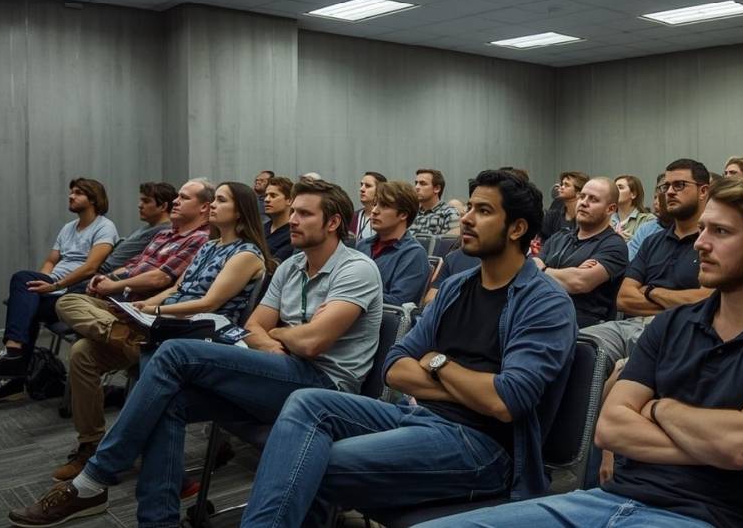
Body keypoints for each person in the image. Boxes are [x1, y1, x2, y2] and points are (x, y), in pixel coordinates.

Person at [421, 176, 743, 528]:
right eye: (704, 228)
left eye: (721, 233)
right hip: (604, 502)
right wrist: (714, 439)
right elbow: (611, 430)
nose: (700, 244)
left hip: (707, 516)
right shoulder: (671, 324)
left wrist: (655, 408)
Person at [7, 178, 384, 528]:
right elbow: (253, 327)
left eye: (305, 214)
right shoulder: (291, 266)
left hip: (324, 387)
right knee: (171, 400)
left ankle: (95, 477)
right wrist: (279, 339)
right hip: (280, 372)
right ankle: (157, 521)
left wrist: (281, 334)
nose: (292, 220)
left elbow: (314, 344)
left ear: (334, 222)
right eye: (295, 211)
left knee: (172, 353)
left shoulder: (356, 269)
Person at [234, 170, 577, 528]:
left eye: (484, 211)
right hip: (417, 417)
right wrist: (469, 388)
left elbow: (505, 402)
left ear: (517, 229)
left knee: (310, 461)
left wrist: (437, 362)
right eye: (470, 206)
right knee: (307, 402)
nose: (466, 218)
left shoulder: (545, 302)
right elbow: (395, 367)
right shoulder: (456, 287)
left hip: (483, 448)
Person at [50, 182, 273, 481]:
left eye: (221, 200)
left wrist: (153, 311)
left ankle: (103, 455)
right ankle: (90, 442)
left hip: (193, 332)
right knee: (77, 333)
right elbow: (177, 289)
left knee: (84, 346)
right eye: (214, 199)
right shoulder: (209, 245)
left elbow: (208, 302)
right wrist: (142, 306)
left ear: (240, 211)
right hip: (161, 322)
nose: (214, 206)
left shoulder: (246, 254)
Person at [0, 178, 119, 400]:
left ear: (94, 198)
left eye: (78, 193)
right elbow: (51, 261)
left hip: (72, 292)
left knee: (21, 283)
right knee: (26, 297)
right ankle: (14, 367)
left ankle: (13, 361)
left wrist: (54, 285)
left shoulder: (105, 227)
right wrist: (44, 282)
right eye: (71, 192)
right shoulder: (68, 228)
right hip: (53, 287)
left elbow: (91, 268)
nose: (71, 196)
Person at [583, 159, 711, 367]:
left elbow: (706, 300)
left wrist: (650, 291)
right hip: (631, 325)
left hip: (687, 328)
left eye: (679, 185)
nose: (669, 192)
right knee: (577, 343)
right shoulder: (653, 241)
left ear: (703, 191)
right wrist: (679, 302)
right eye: (665, 186)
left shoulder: (711, 242)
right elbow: (624, 299)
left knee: (627, 365)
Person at [535, 177, 629, 328]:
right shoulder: (560, 236)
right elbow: (530, 269)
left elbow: (578, 282)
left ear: (610, 209)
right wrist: (569, 273)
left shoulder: (614, 245)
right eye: (582, 196)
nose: (584, 203)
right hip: (542, 315)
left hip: (582, 327)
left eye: (593, 199)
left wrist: (543, 269)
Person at [355, 180, 430, 306]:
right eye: (375, 204)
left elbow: (398, 303)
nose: (374, 211)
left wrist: (349, 294)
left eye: (384, 206)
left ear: (403, 214)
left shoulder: (413, 254)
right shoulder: (362, 245)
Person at [97, 182, 175, 276]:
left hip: (108, 274)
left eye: (146, 201)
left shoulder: (163, 231)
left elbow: (113, 264)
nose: (140, 205)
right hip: (105, 270)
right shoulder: (150, 227)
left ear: (163, 206)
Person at [627, 172, 668, 260]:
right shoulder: (646, 229)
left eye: (662, 198)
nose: (656, 203)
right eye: (655, 197)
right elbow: (630, 262)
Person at [540, 171, 588, 241]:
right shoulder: (552, 215)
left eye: (566, 185)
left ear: (578, 193)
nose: (561, 187)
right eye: (562, 184)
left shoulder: (585, 219)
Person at [414, 168, 460, 235]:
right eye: (416, 183)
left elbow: (451, 243)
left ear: (437, 189)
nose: (417, 187)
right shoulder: (412, 213)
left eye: (422, 184)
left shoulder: (450, 213)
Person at [610, 175, 655, 241]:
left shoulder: (648, 220)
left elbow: (653, 246)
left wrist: (631, 240)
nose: (615, 191)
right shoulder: (605, 219)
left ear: (633, 194)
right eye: (614, 188)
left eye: (620, 187)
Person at [263, 175, 294, 262]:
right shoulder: (261, 229)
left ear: (289, 200)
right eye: (266, 195)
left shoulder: (293, 233)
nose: (266, 199)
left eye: (273, 196)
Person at [350, 171, 387, 242]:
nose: (361, 189)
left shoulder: (388, 218)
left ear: (380, 190)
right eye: (361, 185)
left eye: (368, 186)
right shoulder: (352, 218)